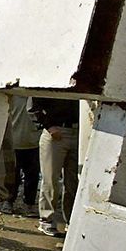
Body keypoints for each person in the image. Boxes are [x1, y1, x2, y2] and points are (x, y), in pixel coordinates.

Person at [31, 97, 79, 237]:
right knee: (51, 179)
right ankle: (46, 220)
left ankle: (71, 221)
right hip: (55, 132)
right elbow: (33, 105)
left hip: (78, 130)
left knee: (73, 181)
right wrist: (49, 126)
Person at [0, 96, 40, 215]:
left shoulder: (35, 97)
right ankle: (8, 201)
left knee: (32, 176)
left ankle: (29, 204)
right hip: (14, 143)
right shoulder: (12, 97)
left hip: (33, 142)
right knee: (13, 176)